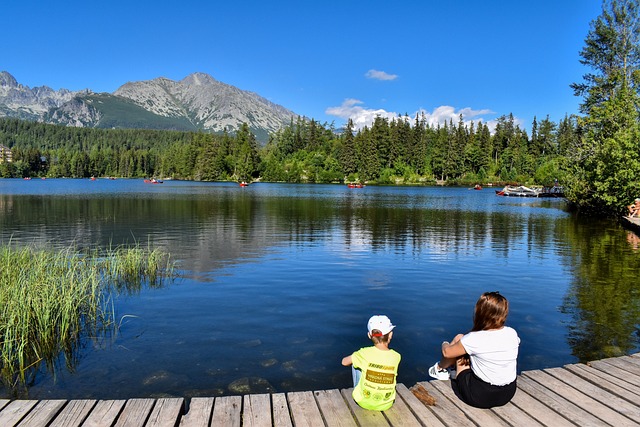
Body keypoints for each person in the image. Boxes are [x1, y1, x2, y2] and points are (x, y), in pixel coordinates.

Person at [428, 292, 519, 409]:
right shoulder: (512, 333)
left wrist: (444, 344)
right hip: (508, 393)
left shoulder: (475, 338)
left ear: (480, 312)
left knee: (459, 341)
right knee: (466, 345)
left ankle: (439, 369)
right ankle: (443, 370)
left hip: (480, 396)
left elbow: (447, 353)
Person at [341, 315, 401, 411]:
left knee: (355, 362)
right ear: (390, 335)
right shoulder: (397, 356)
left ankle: (360, 392)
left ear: (369, 335)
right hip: (386, 404)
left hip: (362, 402)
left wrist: (356, 355)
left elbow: (344, 362)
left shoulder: (364, 353)